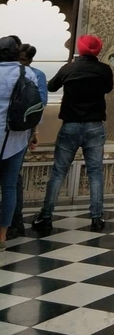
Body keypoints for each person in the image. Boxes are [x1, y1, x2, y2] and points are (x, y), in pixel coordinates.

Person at [32, 35, 113, 234]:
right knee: (95, 172)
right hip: (94, 126)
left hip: (71, 125)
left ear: (80, 48)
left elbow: (51, 87)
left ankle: (46, 216)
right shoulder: (104, 70)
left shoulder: (69, 68)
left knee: (59, 172)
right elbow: (109, 88)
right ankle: (97, 217)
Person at [0, 36, 40, 248]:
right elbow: (32, 106)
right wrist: (33, 132)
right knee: (8, 187)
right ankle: (3, 235)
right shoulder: (27, 73)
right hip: (16, 139)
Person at [7, 44, 48, 238]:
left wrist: (34, 131)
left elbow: (36, 108)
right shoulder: (33, 74)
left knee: (12, 181)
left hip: (18, 135)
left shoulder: (34, 75)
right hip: (18, 135)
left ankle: (15, 222)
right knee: (11, 181)